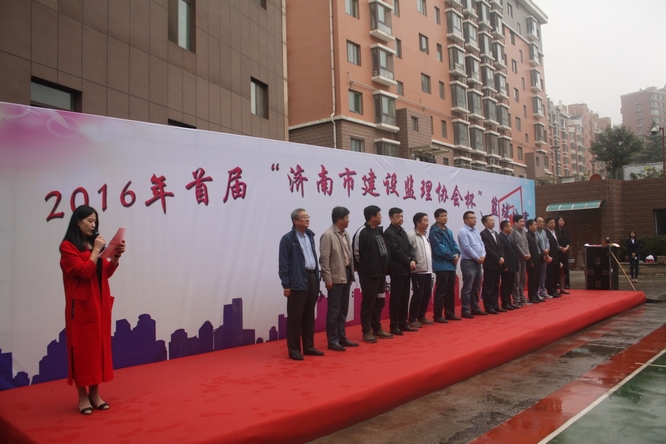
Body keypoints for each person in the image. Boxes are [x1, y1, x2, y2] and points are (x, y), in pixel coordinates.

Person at [59, 205, 126, 415]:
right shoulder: (68, 247)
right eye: (89, 220)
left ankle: (95, 394)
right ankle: (82, 396)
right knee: (81, 351)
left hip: (99, 305)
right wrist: (96, 251)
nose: (93, 224)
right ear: (77, 221)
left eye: (95, 221)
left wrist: (115, 257)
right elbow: (83, 271)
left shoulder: (93, 244)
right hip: (80, 308)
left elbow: (105, 272)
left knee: (98, 350)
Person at [279, 208, 324, 361]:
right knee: (295, 318)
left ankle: (309, 346)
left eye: (307, 216)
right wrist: (286, 285)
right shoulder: (288, 239)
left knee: (309, 316)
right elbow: (284, 264)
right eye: (303, 217)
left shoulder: (310, 236)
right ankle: (294, 350)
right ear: (295, 221)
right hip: (297, 280)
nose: (307, 219)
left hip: (311, 278)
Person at [319, 206, 359, 352]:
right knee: (334, 310)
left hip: (346, 273)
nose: (349, 220)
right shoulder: (328, 235)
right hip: (335, 277)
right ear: (339, 219)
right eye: (346, 218)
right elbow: (324, 260)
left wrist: (351, 275)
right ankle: (333, 340)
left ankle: (342, 336)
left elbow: (349, 256)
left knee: (343, 309)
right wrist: (327, 279)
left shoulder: (346, 234)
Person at [353, 205, 393, 343]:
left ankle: (377, 328)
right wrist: (366, 267)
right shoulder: (362, 232)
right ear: (372, 217)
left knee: (379, 302)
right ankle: (366, 331)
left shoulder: (379, 231)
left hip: (381, 274)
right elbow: (357, 254)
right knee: (368, 303)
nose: (381, 217)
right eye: (379, 214)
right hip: (369, 275)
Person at [384, 207, 417, 335]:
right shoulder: (389, 233)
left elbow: (410, 247)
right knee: (396, 299)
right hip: (397, 270)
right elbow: (396, 251)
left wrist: (413, 259)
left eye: (401, 216)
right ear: (391, 218)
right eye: (397, 217)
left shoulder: (402, 231)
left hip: (406, 269)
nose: (400, 219)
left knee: (404, 297)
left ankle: (403, 322)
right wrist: (409, 262)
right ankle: (394, 325)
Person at [429, 208, 461, 322]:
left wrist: (456, 254)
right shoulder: (434, 232)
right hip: (441, 265)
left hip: (451, 265)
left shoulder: (449, 231)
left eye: (446, 215)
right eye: (442, 216)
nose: (445, 218)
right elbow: (439, 249)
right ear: (436, 218)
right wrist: (452, 257)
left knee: (450, 291)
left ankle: (450, 313)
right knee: (441, 291)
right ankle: (438, 315)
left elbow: (455, 245)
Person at [457, 211, 487, 318]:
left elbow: (482, 244)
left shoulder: (476, 231)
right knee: (468, 288)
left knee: (476, 287)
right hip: (469, 262)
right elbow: (466, 247)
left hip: (478, 262)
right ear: (465, 220)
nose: (474, 220)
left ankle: (475, 308)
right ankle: (465, 310)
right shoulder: (463, 232)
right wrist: (477, 258)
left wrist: (483, 255)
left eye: (475, 218)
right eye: (471, 218)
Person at [407, 212, 434, 328]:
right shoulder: (411, 235)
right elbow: (409, 252)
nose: (427, 223)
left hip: (428, 270)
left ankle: (421, 316)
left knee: (426, 294)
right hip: (418, 271)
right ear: (418, 223)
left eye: (427, 220)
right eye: (425, 220)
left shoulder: (425, 235)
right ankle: (412, 318)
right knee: (418, 294)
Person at [480, 215, 504, 314]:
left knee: (495, 285)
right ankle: (488, 306)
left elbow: (501, 247)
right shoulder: (483, 234)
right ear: (485, 223)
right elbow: (488, 249)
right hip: (490, 263)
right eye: (490, 221)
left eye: (493, 220)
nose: (493, 222)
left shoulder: (496, 233)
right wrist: (497, 258)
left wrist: (502, 257)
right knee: (488, 286)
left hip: (498, 264)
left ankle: (495, 305)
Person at [497, 220, 520, 311]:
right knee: (506, 285)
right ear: (505, 228)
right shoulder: (500, 237)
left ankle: (509, 302)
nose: (511, 228)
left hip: (513, 264)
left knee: (510, 285)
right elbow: (502, 253)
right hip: (507, 266)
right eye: (510, 226)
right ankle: (505, 303)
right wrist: (505, 265)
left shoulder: (508, 237)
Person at [509, 214, 530, 307]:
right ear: (515, 222)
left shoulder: (523, 231)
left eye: (523, 221)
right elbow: (516, 246)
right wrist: (523, 255)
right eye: (521, 222)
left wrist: (528, 253)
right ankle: (516, 299)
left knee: (523, 279)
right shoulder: (513, 232)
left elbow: (526, 244)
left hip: (524, 258)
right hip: (517, 258)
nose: (523, 223)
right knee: (516, 280)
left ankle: (522, 297)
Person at [525, 219, 545, 304]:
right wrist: (530, 261)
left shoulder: (535, 235)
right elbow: (527, 249)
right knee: (532, 279)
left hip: (538, 259)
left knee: (537, 278)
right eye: (534, 225)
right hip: (532, 260)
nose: (536, 226)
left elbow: (539, 248)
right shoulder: (527, 236)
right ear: (529, 226)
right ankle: (531, 296)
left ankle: (536, 294)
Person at [544, 217, 561, 298]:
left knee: (555, 274)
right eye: (551, 223)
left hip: (557, 256)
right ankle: (550, 291)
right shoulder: (546, 233)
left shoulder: (555, 232)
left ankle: (555, 289)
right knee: (550, 274)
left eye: (553, 223)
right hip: (550, 256)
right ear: (547, 224)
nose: (552, 224)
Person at [535, 217, 551, 299]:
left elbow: (547, 241)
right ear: (535, 223)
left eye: (542, 222)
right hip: (539, 255)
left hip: (545, 255)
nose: (541, 223)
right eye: (539, 222)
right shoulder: (534, 233)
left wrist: (547, 249)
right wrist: (543, 251)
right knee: (538, 275)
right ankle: (537, 291)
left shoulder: (544, 232)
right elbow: (537, 244)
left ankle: (543, 291)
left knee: (543, 275)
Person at [555, 216, 571, 292]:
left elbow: (568, 241)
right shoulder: (555, 231)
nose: (562, 222)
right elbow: (555, 242)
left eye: (563, 221)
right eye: (560, 220)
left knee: (564, 270)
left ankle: (562, 287)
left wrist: (567, 248)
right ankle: (555, 287)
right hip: (558, 253)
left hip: (565, 252)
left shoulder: (565, 231)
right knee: (557, 270)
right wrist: (561, 248)